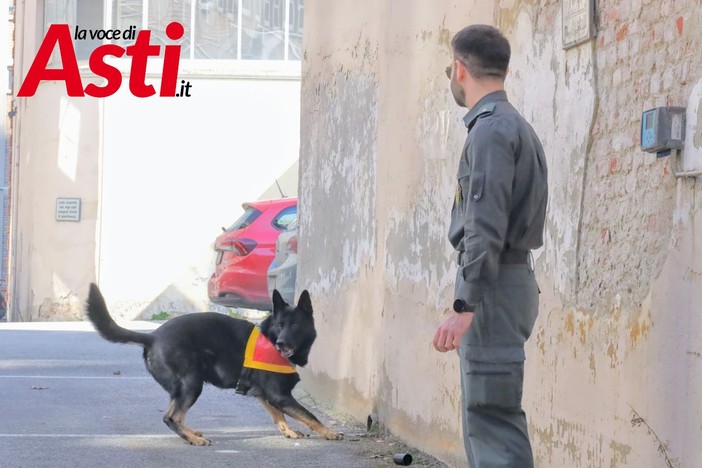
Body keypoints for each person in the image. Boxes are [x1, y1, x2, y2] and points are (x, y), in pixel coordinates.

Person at [432, 24, 548, 467]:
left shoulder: (491, 131)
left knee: (492, 422)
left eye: (449, 69)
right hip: (504, 282)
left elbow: (484, 224)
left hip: (494, 286)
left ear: (459, 69)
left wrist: (465, 305)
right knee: (487, 419)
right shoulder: (510, 126)